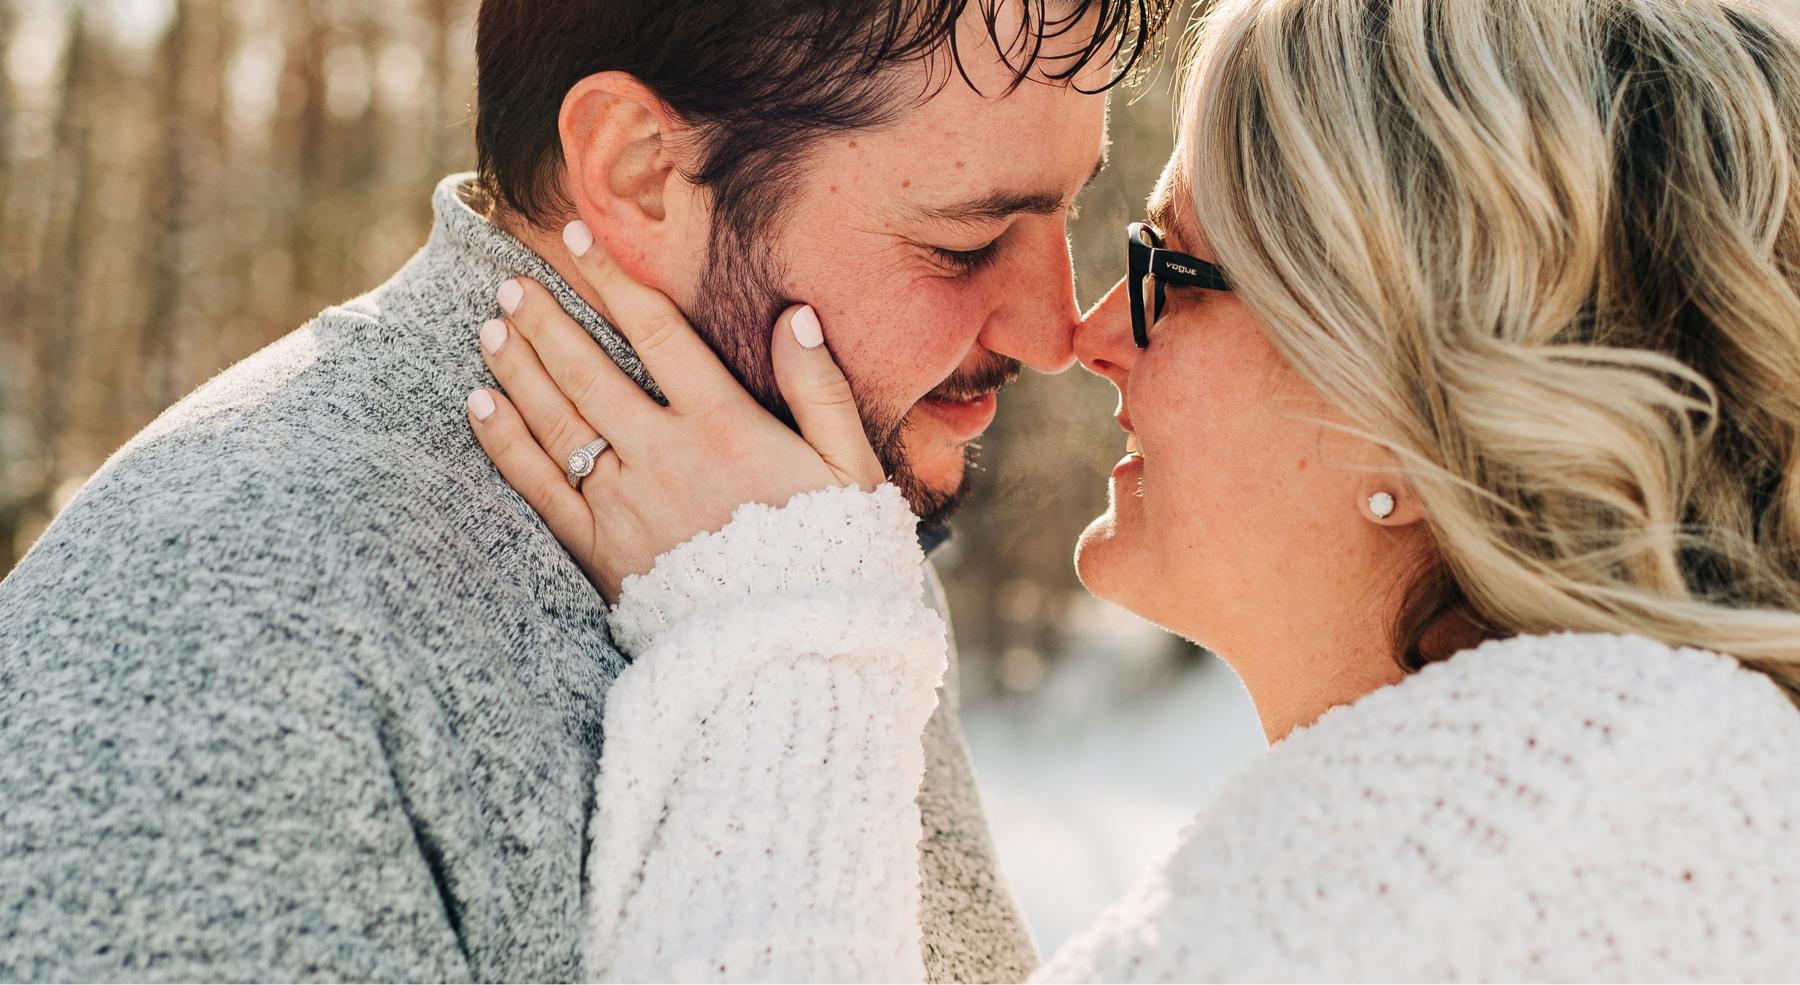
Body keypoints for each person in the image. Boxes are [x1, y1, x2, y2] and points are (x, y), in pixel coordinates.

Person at [471, 0, 1800, 978]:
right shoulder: (1627, 801)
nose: (1084, 334)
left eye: (1170, 270)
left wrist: (777, 637)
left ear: (1407, 393)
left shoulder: (1509, 866)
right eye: (969, 237)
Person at [0, 1, 1174, 979]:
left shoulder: (812, 523)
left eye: (1067, 208)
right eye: (966, 242)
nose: (1054, 332)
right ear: (640, 169)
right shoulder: (227, 618)